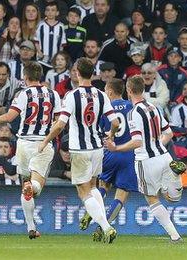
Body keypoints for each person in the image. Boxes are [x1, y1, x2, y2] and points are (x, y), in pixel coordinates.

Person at [0, 61, 61, 239]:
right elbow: (59, 121)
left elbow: (9, 117)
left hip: (23, 144)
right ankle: (31, 187)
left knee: (24, 186)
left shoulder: (23, 94)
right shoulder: (53, 94)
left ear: (25, 78)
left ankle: (31, 227)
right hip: (42, 143)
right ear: (41, 76)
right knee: (36, 185)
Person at [38, 57, 119, 243]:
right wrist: (111, 135)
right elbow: (115, 122)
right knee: (93, 186)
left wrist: (45, 141)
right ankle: (103, 224)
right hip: (97, 147)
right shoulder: (101, 94)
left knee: (83, 191)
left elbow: (60, 126)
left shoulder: (72, 96)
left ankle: (106, 227)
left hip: (79, 149)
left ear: (77, 72)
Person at [104, 75, 185, 243]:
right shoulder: (154, 107)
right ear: (143, 89)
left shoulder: (133, 113)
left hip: (145, 160)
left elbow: (137, 142)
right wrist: (156, 145)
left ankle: (175, 236)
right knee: (171, 198)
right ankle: (175, 177)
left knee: (152, 199)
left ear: (129, 90)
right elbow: (169, 133)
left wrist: (116, 148)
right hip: (164, 156)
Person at [78, 78, 138, 240]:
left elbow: (99, 131)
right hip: (128, 153)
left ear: (110, 92)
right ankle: (102, 227)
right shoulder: (132, 107)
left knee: (103, 186)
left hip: (109, 152)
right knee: (122, 194)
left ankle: (93, 213)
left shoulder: (104, 108)